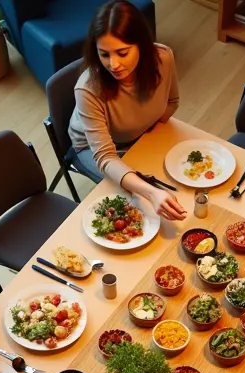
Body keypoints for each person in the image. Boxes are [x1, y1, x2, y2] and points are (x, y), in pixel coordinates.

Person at [68, 0, 186, 222]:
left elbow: (172, 102)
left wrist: (148, 140)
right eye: (104, 54)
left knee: (178, 179)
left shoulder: (164, 58)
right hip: (94, 149)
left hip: (140, 135)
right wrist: (149, 191)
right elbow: (105, 157)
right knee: (139, 202)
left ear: (141, 44)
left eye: (122, 53)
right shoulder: (87, 89)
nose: (113, 64)